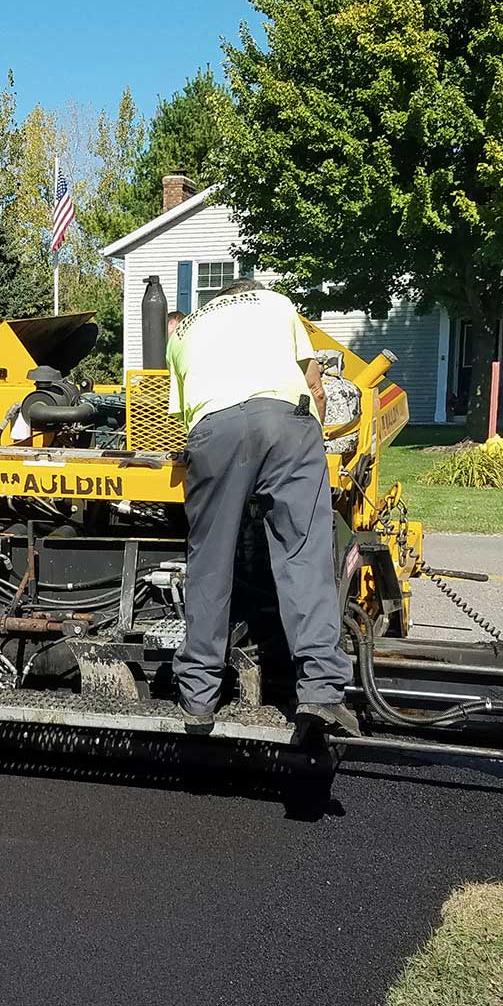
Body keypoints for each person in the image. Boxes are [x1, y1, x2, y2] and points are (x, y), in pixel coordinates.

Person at [164, 280, 359, 737]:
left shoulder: (184, 330)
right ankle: (321, 691)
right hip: (286, 422)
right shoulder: (276, 303)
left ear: (218, 301)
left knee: (210, 560)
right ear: (249, 292)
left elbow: (185, 417)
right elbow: (314, 382)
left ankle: (198, 699)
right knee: (302, 553)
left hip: (214, 429)